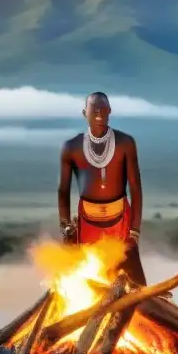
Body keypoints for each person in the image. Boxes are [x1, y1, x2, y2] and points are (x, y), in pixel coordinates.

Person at [58, 92, 146, 286]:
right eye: (94, 109)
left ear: (110, 111)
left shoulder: (125, 143)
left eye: (103, 109)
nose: (99, 113)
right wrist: (65, 226)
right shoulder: (71, 147)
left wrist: (134, 232)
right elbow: (63, 191)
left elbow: (136, 189)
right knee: (88, 280)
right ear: (84, 113)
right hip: (87, 222)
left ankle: (147, 309)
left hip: (121, 220)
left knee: (136, 283)